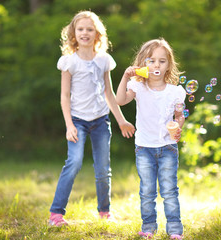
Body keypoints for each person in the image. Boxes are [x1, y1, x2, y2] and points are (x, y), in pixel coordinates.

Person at [49, 10, 135, 227]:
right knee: (74, 162)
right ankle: (56, 215)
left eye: (89, 29)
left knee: (103, 170)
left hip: (100, 122)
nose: (85, 33)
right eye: (80, 29)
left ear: (97, 33)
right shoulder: (69, 62)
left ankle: (104, 212)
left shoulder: (104, 60)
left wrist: (121, 120)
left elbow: (109, 93)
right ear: (73, 33)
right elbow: (64, 96)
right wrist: (69, 125)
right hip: (77, 121)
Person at [116, 38, 186, 239]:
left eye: (162, 61)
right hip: (144, 148)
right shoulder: (137, 87)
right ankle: (148, 227)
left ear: (168, 66)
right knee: (147, 191)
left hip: (168, 147)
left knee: (169, 190)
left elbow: (179, 116)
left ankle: (174, 229)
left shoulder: (175, 92)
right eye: (151, 60)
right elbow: (120, 100)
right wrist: (124, 76)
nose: (156, 65)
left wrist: (177, 128)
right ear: (143, 63)